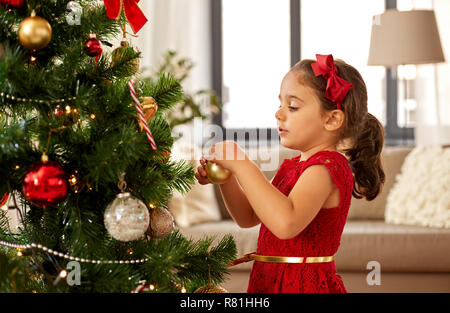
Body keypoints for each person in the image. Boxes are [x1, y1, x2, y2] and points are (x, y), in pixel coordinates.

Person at [195, 54, 385, 293]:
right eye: (280, 104)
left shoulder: (327, 167)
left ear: (332, 119)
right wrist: (228, 177)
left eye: (293, 106)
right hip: (268, 282)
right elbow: (249, 217)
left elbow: (285, 223)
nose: (279, 114)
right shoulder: (291, 166)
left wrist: (244, 165)